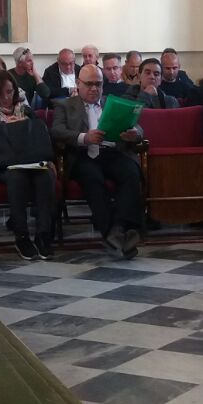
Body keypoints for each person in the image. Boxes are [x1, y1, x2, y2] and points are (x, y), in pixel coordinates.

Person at [52, 65, 146, 259]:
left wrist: (134, 134)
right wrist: (84, 138)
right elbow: (57, 131)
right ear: (78, 84)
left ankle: (118, 229)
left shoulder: (112, 103)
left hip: (112, 152)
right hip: (83, 155)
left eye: (98, 84)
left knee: (130, 172)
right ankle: (115, 232)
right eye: (89, 84)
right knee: (92, 177)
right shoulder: (65, 105)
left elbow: (138, 128)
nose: (94, 89)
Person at [0, 71, 56, 261]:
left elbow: (42, 132)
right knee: (16, 178)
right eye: (0, 94)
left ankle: (43, 235)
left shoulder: (24, 110)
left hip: (31, 160)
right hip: (2, 165)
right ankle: (21, 236)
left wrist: (24, 124)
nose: (6, 98)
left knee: (45, 176)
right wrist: (2, 127)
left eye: (9, 92)